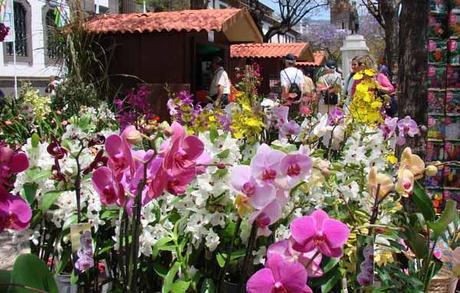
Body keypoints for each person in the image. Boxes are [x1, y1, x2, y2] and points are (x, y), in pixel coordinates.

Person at [280, 53, 304, 118]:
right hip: (297, 98)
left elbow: (284, 87)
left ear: (286, 62)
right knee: (297, 118)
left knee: (287, 118)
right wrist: (300, 99)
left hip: (288, 99)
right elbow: (301, 87)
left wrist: (284, 100)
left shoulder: (283, 72)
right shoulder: (299, 72)